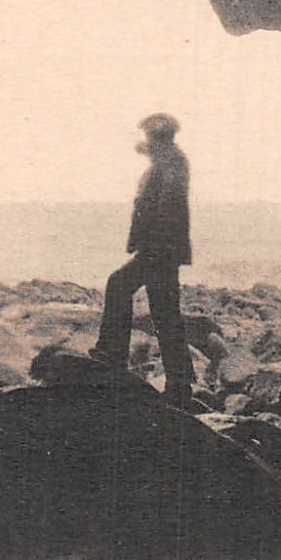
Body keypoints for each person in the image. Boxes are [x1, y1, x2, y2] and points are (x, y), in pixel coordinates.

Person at [90, 113, 196, 408]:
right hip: (162, 248)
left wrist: (149, 245)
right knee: (165, 313)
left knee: (119, 286)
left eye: (150, 139)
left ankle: (112, 355)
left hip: (159, 248)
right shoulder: (170, 161)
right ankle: (180, 382)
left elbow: (165, 209)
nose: (147, 143)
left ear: (159, 139)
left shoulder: (170, 165)